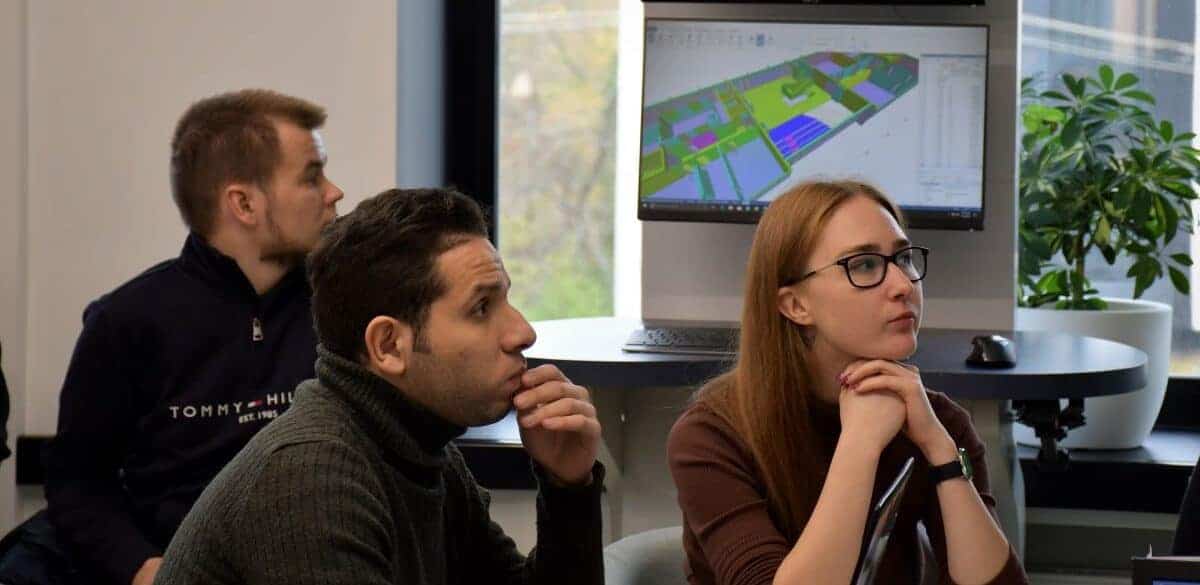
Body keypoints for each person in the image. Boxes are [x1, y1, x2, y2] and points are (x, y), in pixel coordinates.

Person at [155, 187, 605, 585]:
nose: (522, 332)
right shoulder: (312, 479)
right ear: (388, 345)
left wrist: (568, 488)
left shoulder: (422, 449)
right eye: (482, 307)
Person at [42, 89, 344, 585]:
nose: (334, 191)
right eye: (312, 175)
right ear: (243, 203)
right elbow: (78, 485)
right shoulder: (126, 321)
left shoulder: (343, 307)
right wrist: (147, 572)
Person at [667, 180, 1029, 585]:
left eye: (903, 258)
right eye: (864, 265)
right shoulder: (710, 436)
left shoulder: (936, 420)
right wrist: (860, 444)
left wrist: (943, 454)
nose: (903, 285)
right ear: (795, 305)